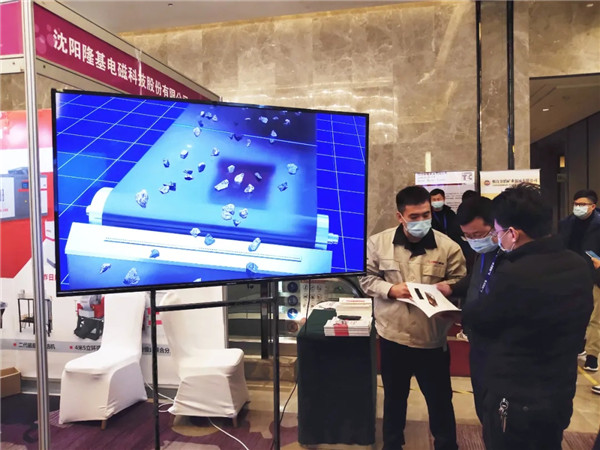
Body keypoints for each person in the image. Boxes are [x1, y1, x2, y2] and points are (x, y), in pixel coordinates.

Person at [461, 183, 593, 450]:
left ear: (512, 233)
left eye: (498, 232)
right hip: (559, 389)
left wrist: (463, 315)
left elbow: (482, 321)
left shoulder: (514, 273)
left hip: (516, 397)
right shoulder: (578, 265)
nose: (497, 239)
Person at [360, 185, 466, 450]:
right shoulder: (378, 243)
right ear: (400, 216)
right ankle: (392, 444)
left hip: (431, 340)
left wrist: (448, 288)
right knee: (394, 399)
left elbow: (461, 281)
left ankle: (446, 445)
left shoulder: (448, 247)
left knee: (440, 401)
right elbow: (366, 278)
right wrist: (391, 289)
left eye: (426, 215)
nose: (422, 221)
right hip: (393, 337)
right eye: (414, 217)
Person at [435, 196, 500, 423]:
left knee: (495, 410)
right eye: (468, 236)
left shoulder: (510, 256)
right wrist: (451, 288)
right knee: (482, 404)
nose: (474, 241)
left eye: (478, 234)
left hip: (498, 347)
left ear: (496, 226)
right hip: (477, 341)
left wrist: (465, 315)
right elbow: (475, 279)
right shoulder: (482, 251)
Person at [558, 189, 600, 372]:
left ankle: (592, 355)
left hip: (594, 275)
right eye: (576, 204)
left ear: (593, 206)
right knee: (572, 314)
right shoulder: (566, 223)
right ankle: (577, 346)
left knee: (595, 318)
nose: (578, 207)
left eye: (583, 204)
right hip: (571, 275)